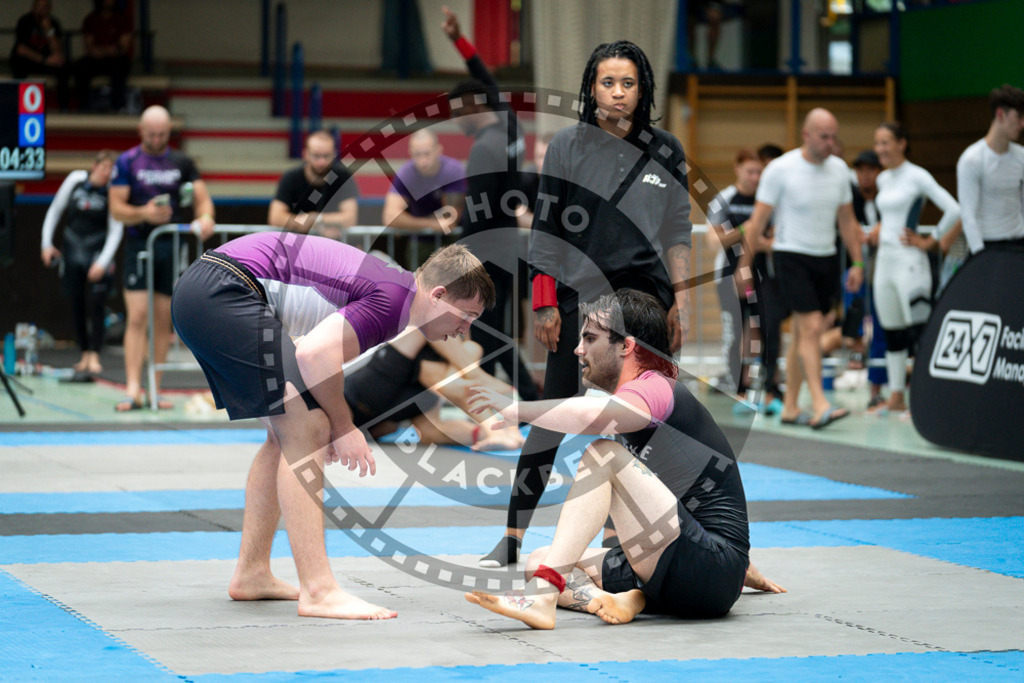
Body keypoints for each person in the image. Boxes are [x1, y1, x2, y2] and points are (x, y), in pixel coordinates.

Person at [171, 233, 495, 620]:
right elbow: (314, 354)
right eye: (467, 316)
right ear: (438, 295)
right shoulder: (394, 298)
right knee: (308, 426)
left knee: (285, 434)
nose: (464, 330)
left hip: (211, 288)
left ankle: (252, 572)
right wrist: (343, 428)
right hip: (223, 290)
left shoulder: (395, 290)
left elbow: (309, 351)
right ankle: (319, 590)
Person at [480, 40, 694, 567]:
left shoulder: (665, 149)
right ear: (591, 88)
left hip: (646, 300)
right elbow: (547, 228)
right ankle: (510, 539)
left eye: (628, 83)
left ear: (642, 89)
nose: (618, 93)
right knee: (552, 416)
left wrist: (683, 299)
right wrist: (544, 301)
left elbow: (679, 231)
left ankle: (621, 544)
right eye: (608, 82)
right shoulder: (568, 146)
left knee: (643, 421)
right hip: (580, 298)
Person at [465, 290, 783, 629]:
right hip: (674, 571)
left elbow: (591, 416)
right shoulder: (629, 409)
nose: (578, 350)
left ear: (626, 346)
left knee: (602, 455)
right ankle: (614, 599)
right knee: (543, 558)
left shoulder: (658, 387)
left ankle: (542, 597)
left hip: (708, 567)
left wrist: (521, 410)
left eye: (589, 338)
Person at [738, 108, 863, 429]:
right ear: (807, 135)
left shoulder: (839, 171)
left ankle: (791, 406)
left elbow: (847, 222)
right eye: (824, 137)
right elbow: (757, 223)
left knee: (806, 333)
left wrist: (858, 262)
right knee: (810, 329)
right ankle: (820, 402)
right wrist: (744, 266)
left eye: (834, 137)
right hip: (790, 256)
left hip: (825, 258)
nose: (830, 143)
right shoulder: (781, 169)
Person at [442, 7, 538, 405]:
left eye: (456, 116)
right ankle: (516, 397)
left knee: (487, 333)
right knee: (490, 331)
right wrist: (459, 40)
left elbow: (477, 216)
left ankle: (522, 398)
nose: (455, 124)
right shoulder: (510, 125)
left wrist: (455, 254)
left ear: (470, 107)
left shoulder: (483, 151)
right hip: (508, 245)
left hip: (487, 254)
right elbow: (488, 80)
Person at [109, 105, 216, 411]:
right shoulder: (127, 161)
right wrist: (144, 213)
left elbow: (203, 199)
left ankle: (154, 387)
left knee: (162, 320)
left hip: (170, 248)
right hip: (139, 245)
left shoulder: (182, 161)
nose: (156, 139)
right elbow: (116, 208)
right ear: (141, 131)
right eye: (151, 134)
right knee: (138, 316)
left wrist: (206, 216)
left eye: (162, 134)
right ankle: (132, 387)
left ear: (169, 132)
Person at [867, 122, 960, 417]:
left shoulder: (917, 176)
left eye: (886, 142)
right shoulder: (883, 179)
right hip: (884, 263)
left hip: (911, 264)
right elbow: (890, 216)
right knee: (893, 333)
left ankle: (925, 400)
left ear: (902, 143)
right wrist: (879, 230)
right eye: (877, 143)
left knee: (919, 333)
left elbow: (954, 209)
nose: (880, 149)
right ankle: (897, 397)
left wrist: (930, 241)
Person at [345, 327, 524, 452]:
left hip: (378, 412)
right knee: (466, 351)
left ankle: (495, 432)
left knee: (429, 432)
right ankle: (497, 428)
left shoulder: (435, 369)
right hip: (358, 399)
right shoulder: (414, 341)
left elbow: (430, 433)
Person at [40, 150, 122, 380]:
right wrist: (46, 244)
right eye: (104, 167)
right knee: (76, 303)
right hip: (73, 249)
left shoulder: (113, 189)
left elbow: (116, 228)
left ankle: (95, 355)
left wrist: (103, 262)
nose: (107, 173)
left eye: (111, 170)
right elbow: (55, 211)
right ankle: (83, 353)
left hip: (97, 251)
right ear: (95, 166)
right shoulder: (76, 180)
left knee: (97, 304)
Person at [706, 149, 762, 399]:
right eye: (750, 171)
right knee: (735, 330)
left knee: (757, 328)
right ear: (738, 169)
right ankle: (735, 383)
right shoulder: (724, 199)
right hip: (729, 275)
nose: (755, 177)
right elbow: (713, 241)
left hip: (760, 275)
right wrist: (745, 229)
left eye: (759, 172)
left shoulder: (764, 200)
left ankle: (750, 381)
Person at [956, 84, 1024, 255]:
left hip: (1018, 244)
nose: (1022, 124)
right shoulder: (972, 159)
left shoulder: (1021, 156)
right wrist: (980, 257)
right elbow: (968, 216)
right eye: (1019, 117)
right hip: (987, 246)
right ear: (1000, 114)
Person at [381, 128, 465, 263]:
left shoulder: (453, 170)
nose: (422, 161)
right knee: (418, 282)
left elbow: (449, 220)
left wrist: (407, 223)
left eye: (427, 154)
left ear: (438, 150)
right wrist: (432, 225)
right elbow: (389, 217)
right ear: (410, 153)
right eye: (417, 155)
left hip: (452, 242)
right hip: (420, 243)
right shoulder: (406, 174)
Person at [268, 130, 358, 240]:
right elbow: (275, 217)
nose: (322, 162)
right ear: (305, 154)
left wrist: (317, 219)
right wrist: (302, 222)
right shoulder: (291, 177)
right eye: (316, 156)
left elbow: (350, 218)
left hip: (332, 247)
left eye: (326, 156)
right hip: (295, 247)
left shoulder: (343, 177)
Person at [850, 150, 888, 409]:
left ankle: (878, 388)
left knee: (883, 329)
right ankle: (854, 343)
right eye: (860, 170)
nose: (865, 175)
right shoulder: (850, 200)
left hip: (884, 272)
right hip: (856, 271)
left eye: (870, 170)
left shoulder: (888, 198)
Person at [73, 0, 133, 113]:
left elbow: (122, 47)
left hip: (116, 59)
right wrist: (107, 50)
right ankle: (84, 106)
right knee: (80, 66)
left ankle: (117, 107)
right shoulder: (91, 19)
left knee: (121, 66)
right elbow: (89, 47)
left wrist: (103, 50)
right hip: (96, 60)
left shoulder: (123, 18)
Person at [9, 0, 70, 111]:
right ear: (33, 7)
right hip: (30, 60)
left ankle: (63, 107)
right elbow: (21, 49)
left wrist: (49, 31)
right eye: (39, 7)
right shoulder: (25, 21)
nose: (42, 11)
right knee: (18, 63)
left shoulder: (53, 23)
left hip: (46, 61)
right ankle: (16, 106)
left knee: (63, 68)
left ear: (49, 9)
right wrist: (44, 60)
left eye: (45, 7)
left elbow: (58, 52)